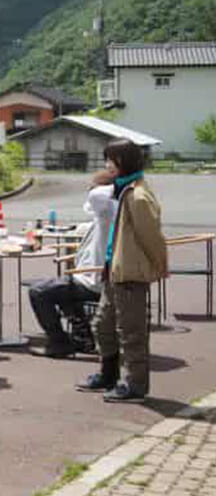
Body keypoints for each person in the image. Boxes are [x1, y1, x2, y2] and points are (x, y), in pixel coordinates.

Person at [77, 140, 168, 402]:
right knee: (103, 325)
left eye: (111, 160)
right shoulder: (122, 190)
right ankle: (108, 375)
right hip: (113, 269)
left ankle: (135, 386)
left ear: (124, 162)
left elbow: (151, 236)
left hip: (130, 272)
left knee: (131, 331)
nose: (107, 165)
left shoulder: (137, 195)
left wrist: (160, 265)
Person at [29, 185, 116, 358]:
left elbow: (98, 195)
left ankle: (60, 342)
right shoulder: (104, 219)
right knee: (60, 288)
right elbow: (83, 228)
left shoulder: (107, 218)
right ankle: (83, 338)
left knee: (38, 291)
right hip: (89, 278)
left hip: (94, 283)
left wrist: (115, 181)